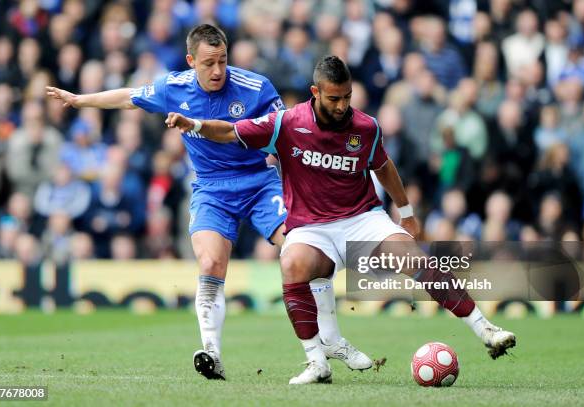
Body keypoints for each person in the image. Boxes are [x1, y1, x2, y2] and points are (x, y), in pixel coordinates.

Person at [165, 56, 517, 385]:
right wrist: (194, 124)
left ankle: (486, 329)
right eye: (334, 98)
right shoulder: (286, 123)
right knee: (291, 262)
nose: (342, 106)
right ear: (316, 92)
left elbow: (384, 167)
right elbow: (230, 132)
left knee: (414, 258)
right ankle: (317, 362)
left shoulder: (366, 127)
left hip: (362, 218)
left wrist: (406, 212)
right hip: (311, 227)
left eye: (347, 97)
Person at [46, 24, 370, 380]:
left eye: (223, 61)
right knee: (211, 261)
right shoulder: (174, 86)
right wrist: (80, 100)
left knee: (309, 255)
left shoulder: (256, 87)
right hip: (212, 189)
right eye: (209, 63)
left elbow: (286, 132)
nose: (218, 70)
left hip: (260, 184)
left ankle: (331, 340)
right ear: (191, 61)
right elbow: (129, 97)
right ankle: (211, 352)